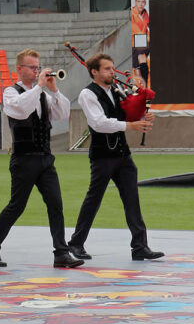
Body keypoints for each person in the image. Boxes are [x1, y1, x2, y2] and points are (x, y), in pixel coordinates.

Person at [0, 49, 83, 269]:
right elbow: (19, 110)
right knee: (16, 206)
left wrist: (54, 91)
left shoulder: (44, 94)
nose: (37, 70)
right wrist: (38, 86)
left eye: (38, 67)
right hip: (23, 159)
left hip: (45, 158)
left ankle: (61, 252)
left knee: (56, 204)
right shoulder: (11, 92)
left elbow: (62, 114)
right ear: (19, 69)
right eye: (32, 67)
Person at [68, 54, 164, 261]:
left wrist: (142, 116)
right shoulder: (88, 94)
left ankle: (140, 246)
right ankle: (76, 244)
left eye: (112, 68)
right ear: (94, 72)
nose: (112, 72)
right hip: (102, 156)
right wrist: (131, 125)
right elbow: (98, 123)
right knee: (93, 200)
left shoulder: (115, 91)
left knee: (132, 200)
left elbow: (126, 114)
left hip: (122, 154)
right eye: (107, 69)